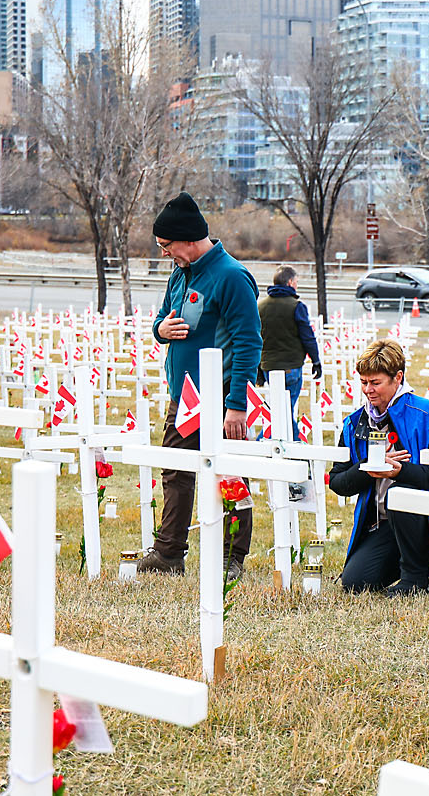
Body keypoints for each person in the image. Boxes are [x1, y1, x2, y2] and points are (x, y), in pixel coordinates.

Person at [137, 192, 262, 579]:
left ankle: (231, 555)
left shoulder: (232, 277)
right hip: (184, 398)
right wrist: (160, 329)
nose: (163, 253)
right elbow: (161, 319)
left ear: (188, 239)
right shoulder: (180, 272)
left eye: (166, 245)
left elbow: (249, 343)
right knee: (175, 471)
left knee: (230, 475)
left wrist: (237, 404)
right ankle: (168, 553)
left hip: (223, 397)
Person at [327, 337, 429, 595]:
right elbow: (337, 481)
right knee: (356, 583)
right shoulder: (354, 424)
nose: (368, 390)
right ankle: (402, 557)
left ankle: (415, 577)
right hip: (384, 522)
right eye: (364, 382)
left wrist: (401, 471)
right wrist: (367, 469)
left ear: (397, 378)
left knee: (399, 492)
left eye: (376, 382)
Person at [258, 265, 322, 414]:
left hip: (268, 366)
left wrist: (258, 367)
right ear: (290, 282)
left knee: (279, 410)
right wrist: (316, 361)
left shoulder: (260, 306)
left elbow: (257, 339)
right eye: (296, 282)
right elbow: (307, 337)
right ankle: (287, 429)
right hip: (291, 365)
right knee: (285, 413)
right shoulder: (296, 306)